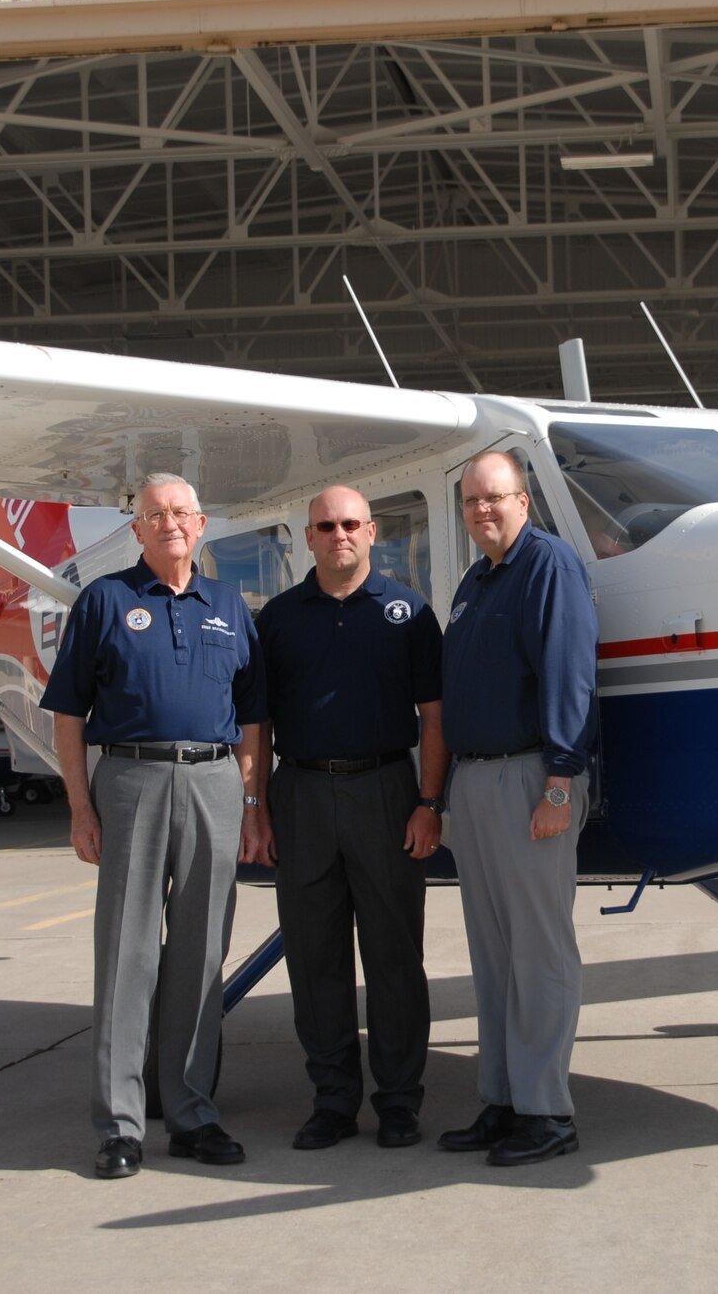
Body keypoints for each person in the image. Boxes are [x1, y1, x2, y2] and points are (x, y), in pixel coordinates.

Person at [40, 472, 266, 1178]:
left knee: (200, 955)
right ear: (136, 529)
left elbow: (254, 718)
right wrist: (80, 806)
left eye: (180, 513)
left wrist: (252, 803)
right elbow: (69, 715)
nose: (169, 523)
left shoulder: (230, 604)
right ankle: (120, 1125)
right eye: (153, 514)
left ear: (201, 525)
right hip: (131, 778)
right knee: (128, 953)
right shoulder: (106, 601)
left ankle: (193, 1112)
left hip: (214, 780)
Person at [242, 485, 447, 1151]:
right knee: (314, 958)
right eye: (325, 525)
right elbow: (259, 724)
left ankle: (398, 1101)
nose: (339, 535)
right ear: (307, 536)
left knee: (394, 957)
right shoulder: (277, 618)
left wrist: (428, 801)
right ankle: (332, 1100)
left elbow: (434, 717)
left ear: (372, 531)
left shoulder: (408, 613)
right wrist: (258, 807)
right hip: (300, 794)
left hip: (386, 791)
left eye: (350, 523)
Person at [436, 450, 599, 1166]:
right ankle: (502, 1099)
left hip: (532, 775)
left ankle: (547, 1112)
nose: (482, 511)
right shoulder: (476, 580)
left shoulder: (548, 565)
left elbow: (569, 673)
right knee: (494, 955)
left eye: (494, 498)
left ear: (523, 501)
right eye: (471, 501)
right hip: (475, 781)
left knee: (539, 951)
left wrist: (560, 784)